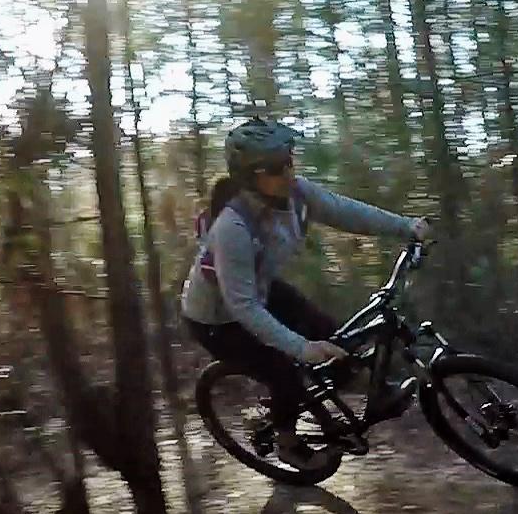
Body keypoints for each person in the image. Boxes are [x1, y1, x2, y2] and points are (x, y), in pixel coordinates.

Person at [182, 117, 431, 469]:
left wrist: (404, 226)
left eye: (288, 160)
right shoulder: (232, 228)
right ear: (249, 176)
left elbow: (346, 212)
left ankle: (360, 390)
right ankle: (286, 442)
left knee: (330, 332)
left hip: (259, 290)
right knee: (283, 368)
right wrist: (300, 347)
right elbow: (244, 307)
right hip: (217, 318)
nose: (286, 172)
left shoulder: (296, 193)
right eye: (273, 167)